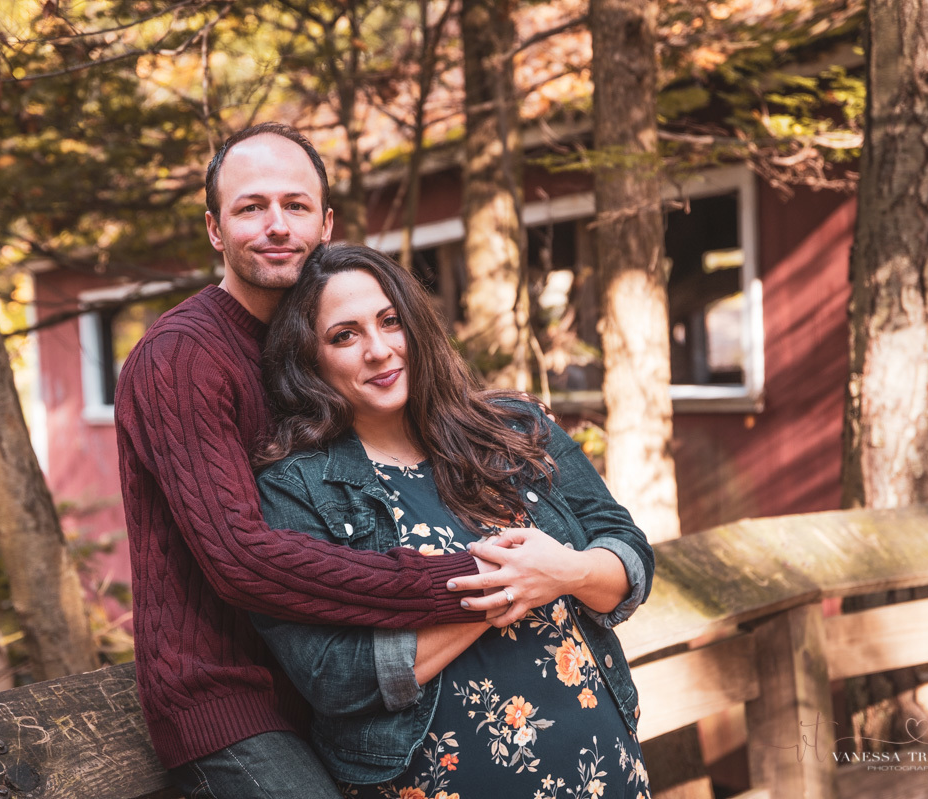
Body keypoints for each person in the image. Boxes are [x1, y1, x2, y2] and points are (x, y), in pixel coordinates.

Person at [114, 123, 583, 799]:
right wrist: (470, 575)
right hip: (235, 701)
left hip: (332, 680)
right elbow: (240, 559)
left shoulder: (314, 347)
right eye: (251, 208)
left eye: (296, 205)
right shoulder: (182, 356)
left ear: (325, 223)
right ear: (215, 229)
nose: (277, 225)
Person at [250, 243, 654, 798]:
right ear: (309, 358)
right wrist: (505, 587)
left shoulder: (515, 427)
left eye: (391, 321)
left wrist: (568, 573)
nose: (379, 349)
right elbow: (332, 676)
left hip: (607, 773)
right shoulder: (295, 489)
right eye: (344, 335)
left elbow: (627, 551)